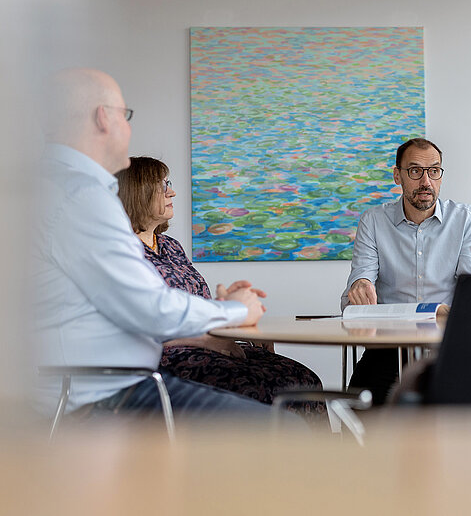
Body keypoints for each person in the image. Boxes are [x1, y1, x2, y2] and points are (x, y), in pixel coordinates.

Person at [32, 68, 292, 425]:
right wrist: (234, 310)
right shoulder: (80, 197)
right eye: (127, 115)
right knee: (284, 428)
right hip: (103, 395)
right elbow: (150, 309)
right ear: (103, 118)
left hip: (98, 386)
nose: (129, 127)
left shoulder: (50, 188)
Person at [116, 156, 324, 421]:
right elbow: (140, 326)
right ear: (138, 192)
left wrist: (227, 312)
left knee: (305, 381)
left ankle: (314, 463)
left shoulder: (171, 246)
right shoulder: (124, 255)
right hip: (169, 361)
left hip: (211, 346)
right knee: (267, 390)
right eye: (162, 185)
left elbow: (189, 303)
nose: (172, 191)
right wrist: (207, 338)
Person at [341, 137, 471, 404]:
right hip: (387, 348)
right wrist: (359, 285)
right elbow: (360, 281)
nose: (426, 182)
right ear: (398, 176)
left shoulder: (465, 219)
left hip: (445, 348)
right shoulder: (373, 221)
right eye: (415, 171)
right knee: (357, 409)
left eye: (434, 171)